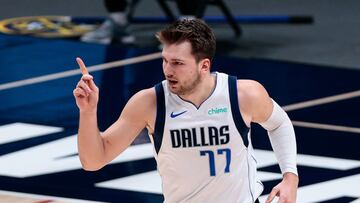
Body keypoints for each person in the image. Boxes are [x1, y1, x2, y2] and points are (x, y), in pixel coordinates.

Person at [73, 19, 299, 203]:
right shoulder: (149, 103)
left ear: (204, 66)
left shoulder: (242, 95)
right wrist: (88, 111)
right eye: (165, 61)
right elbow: (93, 160)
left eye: (178, 63)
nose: (168, 70)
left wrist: (290, 176)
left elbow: (279, 123)